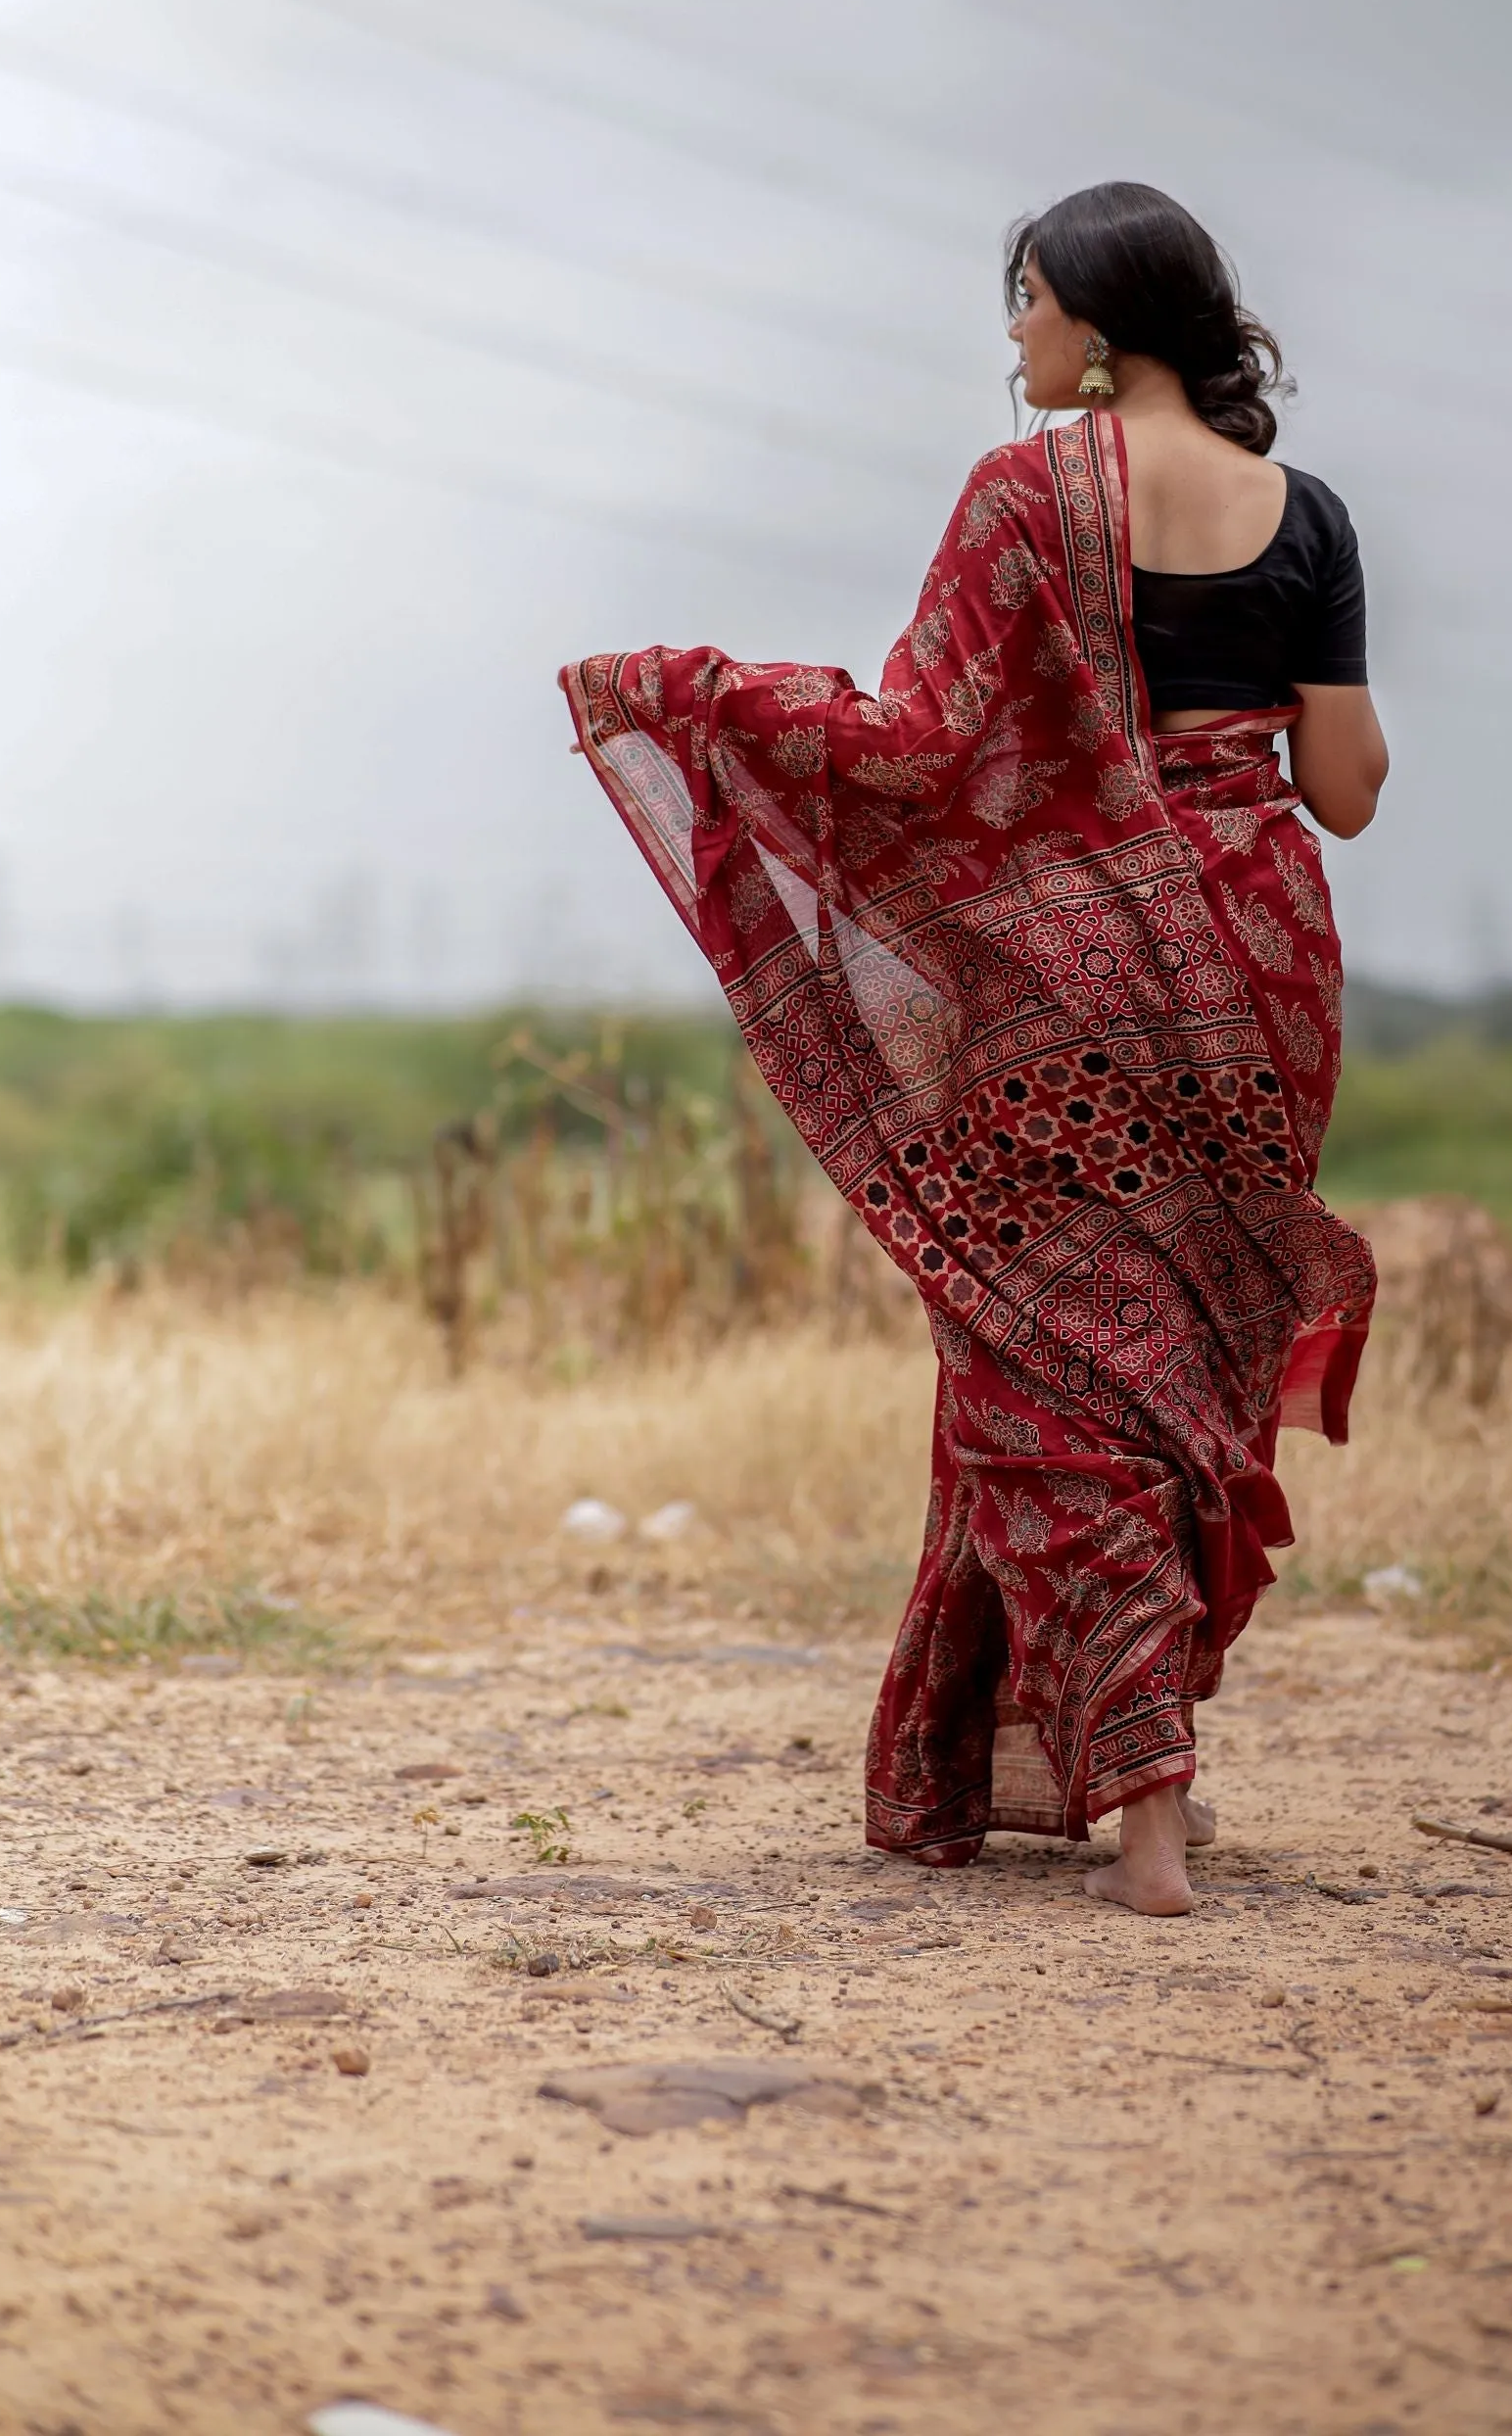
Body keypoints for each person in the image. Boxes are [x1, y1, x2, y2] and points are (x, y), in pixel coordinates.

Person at [562, 180, 1386, 1916]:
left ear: (1095, 324)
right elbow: (1350, 790)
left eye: (1022, 301)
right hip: (1261, 966)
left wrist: (700, 700)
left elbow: (921, 734)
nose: (1011, 336)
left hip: (1072, 985)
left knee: (1047, 1357)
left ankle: (1143, 1797)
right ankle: (1153, 1772)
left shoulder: (1027, 494)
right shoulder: (1306, 514)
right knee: (1188, 1365)